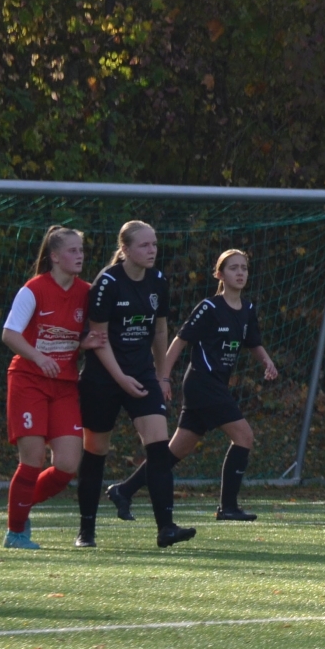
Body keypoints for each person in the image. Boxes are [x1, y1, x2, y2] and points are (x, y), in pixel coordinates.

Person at [106, 249, 280, 523]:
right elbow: (179, 341)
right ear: (219, 274)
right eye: (233, 268)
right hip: (202, 383)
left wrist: (266, 361)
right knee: (244, 436)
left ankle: (123, 490)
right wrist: (163, 377)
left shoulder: (247, 309)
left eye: (244, 268)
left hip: (215, 385)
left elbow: (253, 342)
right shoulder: (209, 307)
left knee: (175, 451)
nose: (240, 273)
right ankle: (228, 507)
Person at [75, 220, 193, 549]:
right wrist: (120, 379)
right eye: (144, 245)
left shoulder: (158, 280)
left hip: (141, 375)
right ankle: (86, 531)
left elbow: (159, 330)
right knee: (96, 451)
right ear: (125, 249)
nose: (152, 250)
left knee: (158, 448)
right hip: (103, 378)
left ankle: (166, 528)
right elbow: (98, 339)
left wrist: (161, 375)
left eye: (154, 244)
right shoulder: (108, 282)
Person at [0, 226, 91, 548]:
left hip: (64, 386)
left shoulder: (86, 292)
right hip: (28, 381)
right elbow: (10, 334)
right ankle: (16, 532)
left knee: (67, 466)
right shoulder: (34, 289)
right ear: (54, 256)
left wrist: (86, 342)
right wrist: (38, 357)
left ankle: (19, 506)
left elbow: (79, 335)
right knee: (32, 458)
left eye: (81, 250)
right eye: (72, 250)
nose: (79, 256)